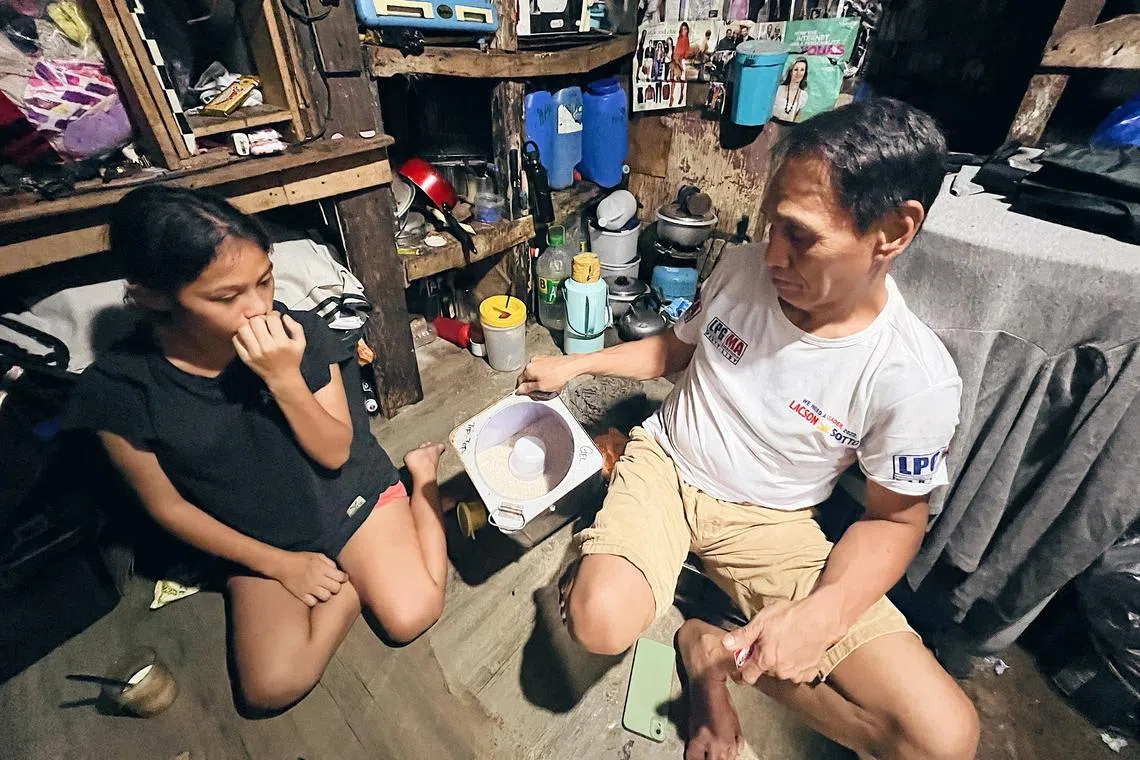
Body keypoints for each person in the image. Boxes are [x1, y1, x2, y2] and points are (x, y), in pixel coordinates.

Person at [516, 98, 979, 760]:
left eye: (800, 235)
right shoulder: (740, 268)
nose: (772, 256)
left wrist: (821, 615)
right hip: (669, 468)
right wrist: (577, 365)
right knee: (598, 621)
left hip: (771, 523)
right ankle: (701, 620)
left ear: (895, 231)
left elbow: (896, 523)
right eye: (770, 228)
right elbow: (674, 353)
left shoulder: (913, 377)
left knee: (941, 739)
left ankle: (707, 652)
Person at [65, 186, 450, 712]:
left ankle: (420, 476)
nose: (258, 307)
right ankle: (353, 579)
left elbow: (336, 452)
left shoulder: (296, 331)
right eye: (226, 297)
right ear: (154, 296)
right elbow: (166, 506)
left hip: (346, 495)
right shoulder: (121, 392)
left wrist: (284, 377)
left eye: (264, 280)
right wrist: (280, 565)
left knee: (413, 615)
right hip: (260, 533)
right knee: (270, 688)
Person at [774, 56, 809, 123]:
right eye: (796, 69)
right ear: (791, 71)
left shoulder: (803, 96)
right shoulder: (779, 90)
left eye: (802, 70)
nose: (798, 73)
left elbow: (797, 116)